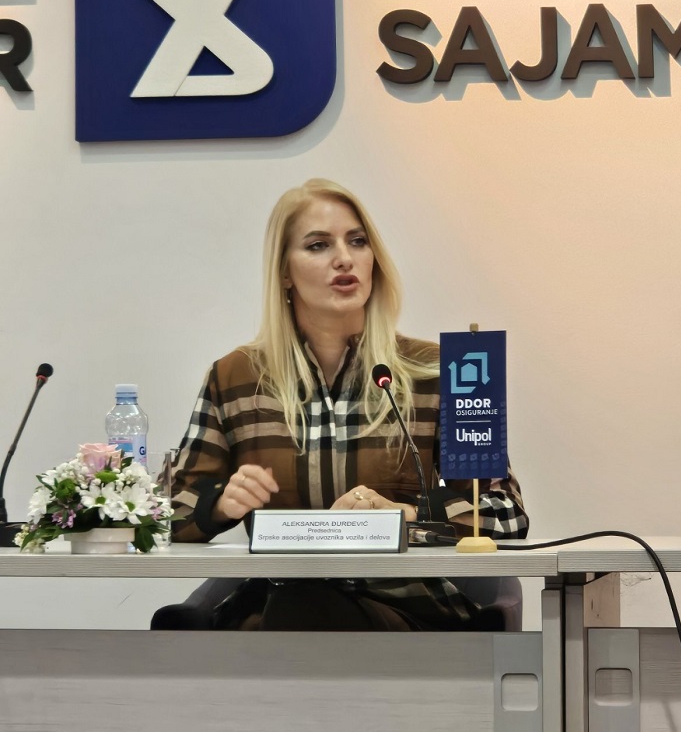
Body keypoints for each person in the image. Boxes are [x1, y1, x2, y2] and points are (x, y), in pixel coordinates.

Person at [170, 178, 528, 630]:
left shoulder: (438, 371)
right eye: (318, 245)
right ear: (284, 272)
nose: (344, 258)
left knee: (308, 613)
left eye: (357, 241)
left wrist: (408, 514)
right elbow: (170, 514)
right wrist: (223, 504)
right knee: (295, 608)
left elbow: (506, 514)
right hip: (281, 601)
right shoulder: (235, 377)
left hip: (404, 608)